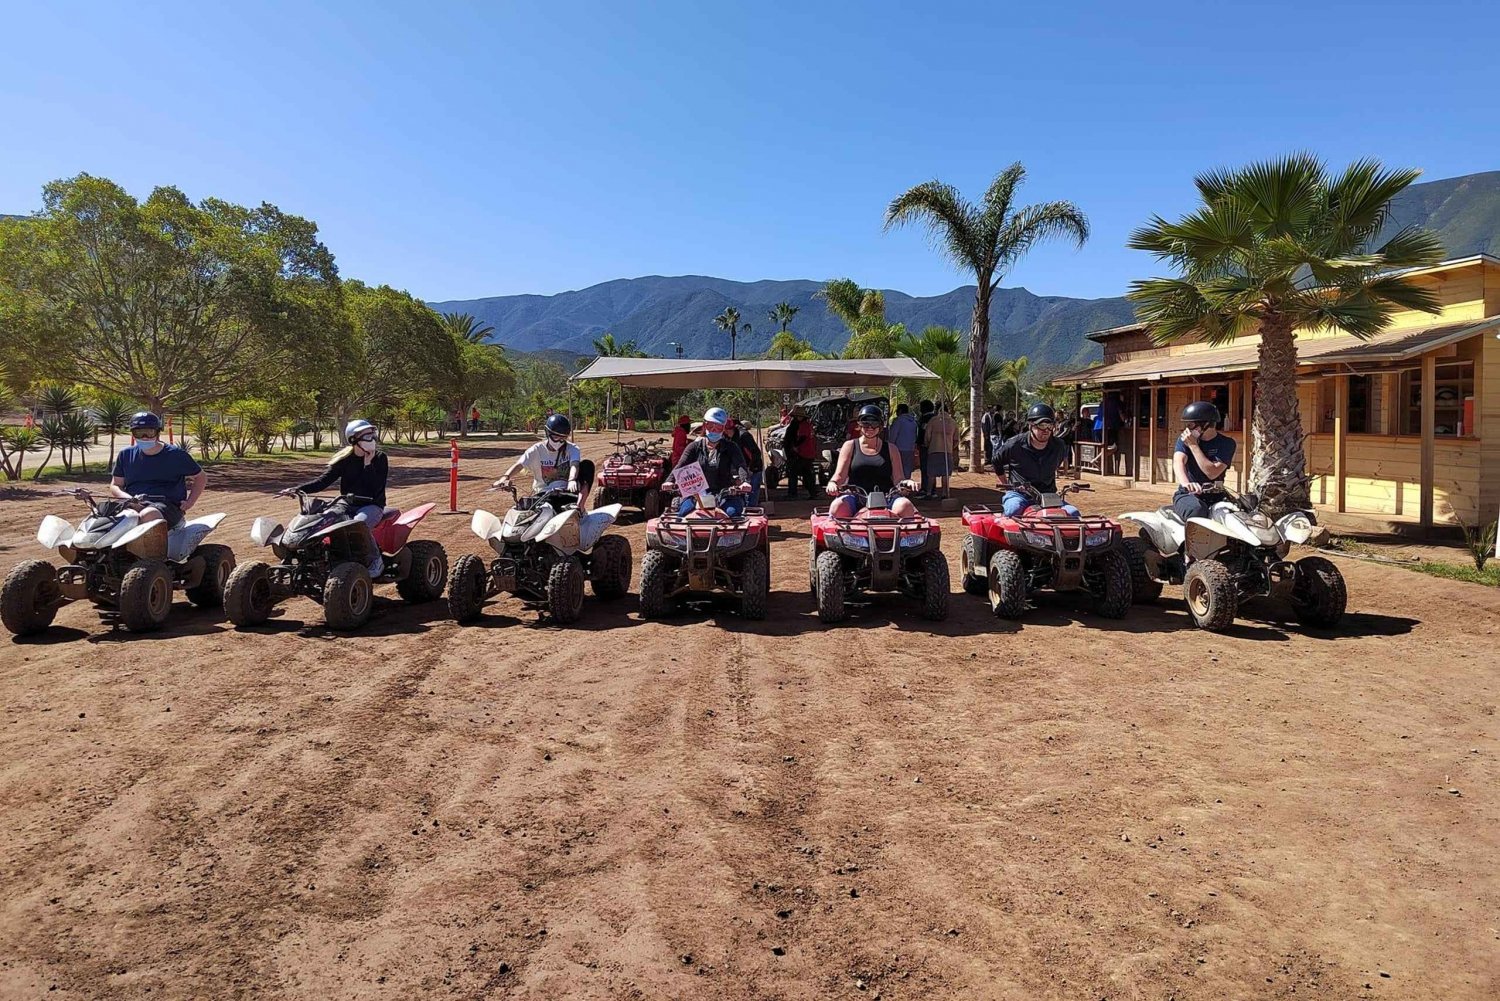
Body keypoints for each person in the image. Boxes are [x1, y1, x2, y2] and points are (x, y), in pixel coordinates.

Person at [280, 419, 389, 576]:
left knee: (359, 524)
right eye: (367, 436)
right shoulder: (344, 460)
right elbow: (322, 482)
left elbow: (377, 487)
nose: (372, 439)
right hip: (345, 503)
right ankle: (321, 558)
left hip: (372, 505)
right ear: (354, 439)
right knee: (322, 520)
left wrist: (368, 464)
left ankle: (375, 560)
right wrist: (297, 489)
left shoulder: (380, 458)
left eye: (373, 435)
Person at [110, 411, 207, 529]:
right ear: (133, 433)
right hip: (132, 503)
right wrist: (128, 498)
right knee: (102, 514)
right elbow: (116, 484)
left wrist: (190, 502)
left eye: (149, 432)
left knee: (148, 514)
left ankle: (149, 547)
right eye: (139, 432)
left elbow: (200, 477)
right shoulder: (125, 455)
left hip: (168, 505)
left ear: (157, 432)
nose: (144, 437)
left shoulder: (176, 455)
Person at [826, 404, 917, 519]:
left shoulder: (891, 449)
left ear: (880, 426)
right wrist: (833, 483)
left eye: (874, 424)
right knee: (837, 507)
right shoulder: (850, 446)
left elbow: (898, 479)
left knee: (906, 506)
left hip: (886, 496)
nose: (870, 428)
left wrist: (906, 483)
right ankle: (845, 537)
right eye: (865, 424)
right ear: (859, 425)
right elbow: (840, 475)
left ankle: (903, 537)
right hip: (856, 496)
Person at [991, 402, 1075, 517]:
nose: (1045, 430)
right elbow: (996, 461)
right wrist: (1007, 485)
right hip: (1019, 494)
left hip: (1047, 495)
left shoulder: (1058, 446)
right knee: (1013, 510)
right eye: (1041, 425)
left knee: (1073, 513)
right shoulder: (1015, 444)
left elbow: (1055, 465)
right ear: (1031, 425)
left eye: (1049, 425)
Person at [493, 413, 595, 507]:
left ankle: (580, 507)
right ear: (547, 433)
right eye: (556, 437)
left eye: (563, 438)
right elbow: (519, 465)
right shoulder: (536, 450)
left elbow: (574, 465)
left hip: (566, 493)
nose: (559, 441)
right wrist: (504, 478)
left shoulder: (572, 449)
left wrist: (572, 480)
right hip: (542, 496)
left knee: (587, 465)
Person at [667, 407, 750, 517]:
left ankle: (731, 534)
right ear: (704, 425)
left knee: (732, 513)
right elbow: (681, 464)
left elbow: (740, 465)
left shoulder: (731, 447)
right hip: (697, 494)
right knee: (683, 513)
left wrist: (745, 481)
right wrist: (669, 481)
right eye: (710, 426)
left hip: (724, 493)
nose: (714, 430)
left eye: (718, 427)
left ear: (724, 428)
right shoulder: (694, 447)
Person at [1172, 401, 1237, 521]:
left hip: (1216, 494)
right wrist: (1186, 484)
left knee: (1238, 513)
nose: (1187, 429)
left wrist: (1194, 446)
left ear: (1206, 424)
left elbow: (1212, 472)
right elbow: (1178, 462)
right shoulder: (1185, 440)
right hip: (1189, 494)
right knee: (1197, 510)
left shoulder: (1227, 443)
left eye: (1191, 425)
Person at [922, 402, 958, 500]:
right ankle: (944, 493)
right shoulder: (953, 422)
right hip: (947, 451)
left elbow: (927, 436)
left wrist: (928, 444)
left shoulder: (933, 420)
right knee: (945, 474)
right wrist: (950, 446)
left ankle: (929, 493)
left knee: (931, 474)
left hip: (934, 449)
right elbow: (956, 439)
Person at [782, 405, 817, 500]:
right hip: (806, 453)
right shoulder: (804, 424)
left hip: (802, 453)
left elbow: (803, 437)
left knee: (794, 472)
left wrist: (795, 446)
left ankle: (793, 493)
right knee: (807, 473)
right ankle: (812, 492)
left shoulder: (804, 425)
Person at [727, 416, 764, 506]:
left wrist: (750, 468)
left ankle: (752, 512)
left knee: (751, 494)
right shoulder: (730, 438)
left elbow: (755, 453)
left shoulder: (743, 436)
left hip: (753, 468)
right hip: (742, 468)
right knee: (741, 494)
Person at [887, 402, 918, 484]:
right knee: (907, 469)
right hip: (910, 448)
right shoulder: (913, 422)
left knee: (896, 468)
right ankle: (906, 485)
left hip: (898, 448)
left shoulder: (898, 421)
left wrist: (890, 446)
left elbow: (893, 435)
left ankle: (897, 485)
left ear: (900, 411)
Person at [915, 400, 935, 493]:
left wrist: (918, 443)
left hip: (925, 446)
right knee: (931, 469)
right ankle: (931, 488)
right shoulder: (935, 418)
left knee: (925, 468)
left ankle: (926, 488)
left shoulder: (925, 419)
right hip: (934, 447)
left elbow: (922, 433)